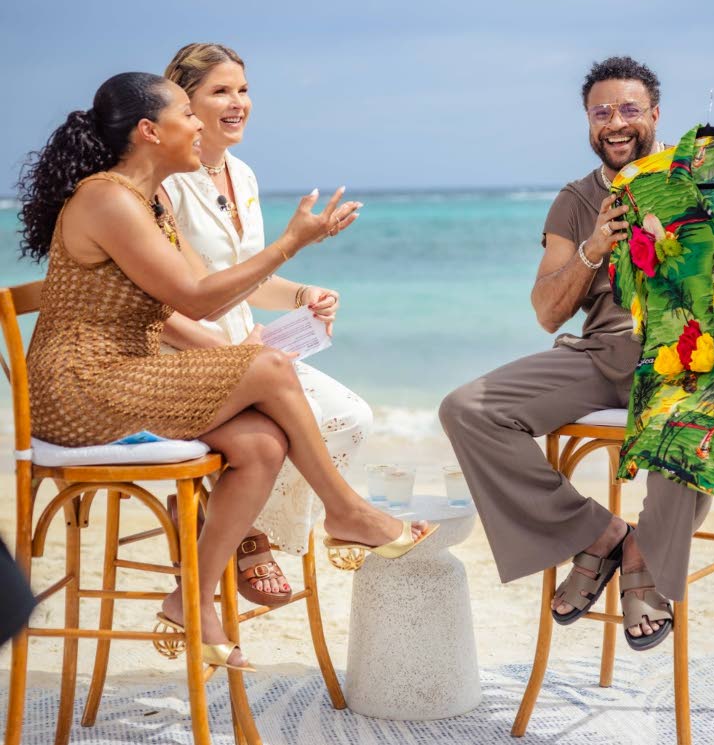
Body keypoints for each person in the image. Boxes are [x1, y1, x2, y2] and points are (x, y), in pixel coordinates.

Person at [19, 72, 430, 671]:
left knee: (262, 445)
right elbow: (197, 299)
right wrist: (291, 243)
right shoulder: (105, 198)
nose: (196, 124)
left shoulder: (150, 200)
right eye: (187, 112)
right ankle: (346, 512)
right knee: (266, 366)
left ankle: (193, 598)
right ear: (148, 131)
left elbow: (192, 300)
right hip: (80, 389)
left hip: (126, 376)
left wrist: (273, 314)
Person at [439, 56, 714, 647]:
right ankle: (602, 535)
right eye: (601, 112)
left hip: (688, 360)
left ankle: (646, 558)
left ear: (656, 115)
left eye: (630, 110)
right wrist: (592, 248)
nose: (616, 123)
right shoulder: (576, 199)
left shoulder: (706, 177)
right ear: (587, 121)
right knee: (466, 409)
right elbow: (547, 312)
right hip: (602, 353)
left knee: (693, 418)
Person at [158, 42, 372, 607]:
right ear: (184, 102)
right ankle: (246, 537)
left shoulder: (243, 174)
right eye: (220, 91)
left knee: (351, 417)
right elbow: (164, 298)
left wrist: (305, 293)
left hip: (253, 349)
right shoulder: (166, 182)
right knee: (278, 435)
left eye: (243, 90)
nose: (238, 103)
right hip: (189, 359)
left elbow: (243, 278)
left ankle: (245, 524)